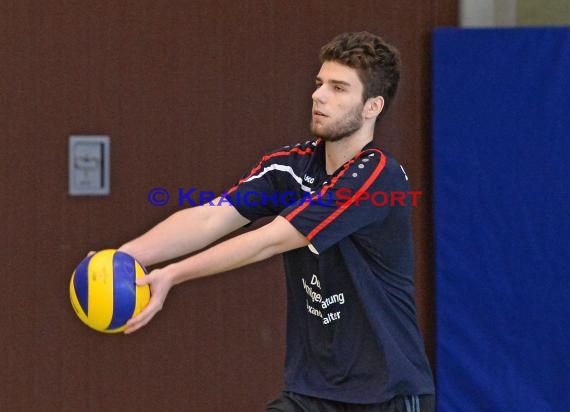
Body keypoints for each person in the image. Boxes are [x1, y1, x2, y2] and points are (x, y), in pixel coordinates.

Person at [118, 31, 435, 411]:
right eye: (320, 84)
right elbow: (208, 218)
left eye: (338, 88)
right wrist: (127, 255)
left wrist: (172, 275)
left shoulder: (376, 176)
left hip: (387, 394)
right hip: (311, 391)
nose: (318, 95)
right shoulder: (290, 167)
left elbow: (268, 240)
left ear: (372, 106)